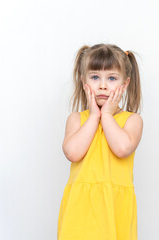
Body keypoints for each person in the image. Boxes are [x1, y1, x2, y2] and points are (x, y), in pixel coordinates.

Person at [57, 43, 143, 240]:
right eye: (95, 77)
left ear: (125, 83)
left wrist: (107, 116)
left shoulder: (132, 120)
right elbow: (72, 152)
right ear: (83, 80)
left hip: (114, 207)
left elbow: (122, 148)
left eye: (112, 78)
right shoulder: (77, 119)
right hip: (80, 208)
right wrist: (94, 116)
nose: (103, 85)